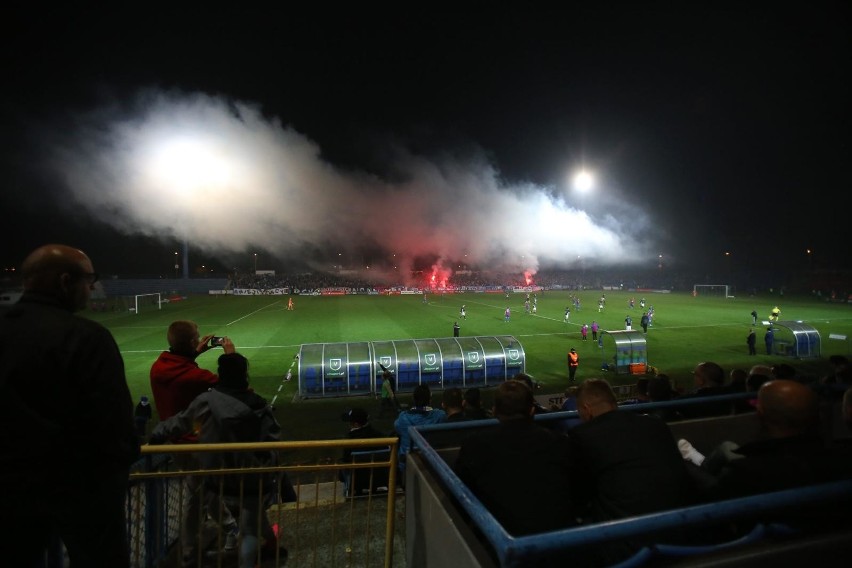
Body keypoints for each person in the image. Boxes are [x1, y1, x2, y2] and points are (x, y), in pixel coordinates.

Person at [0, 244, 139, 567]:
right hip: (81, 488)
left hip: (9, 491)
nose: (91, 288)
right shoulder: (87, 337)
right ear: (66, 281)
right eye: (89, 279)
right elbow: (114, 422)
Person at [150, 353, 291, 568]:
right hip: (251, 478)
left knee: (250, 515)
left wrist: (156, 434)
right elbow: (273, 440)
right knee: (250, 526)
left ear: (220, 375)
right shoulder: (258, 405)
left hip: (216, 479)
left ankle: (270, 543)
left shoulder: (206, 401)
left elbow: (180, 423)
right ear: (244, 375)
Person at [568, 379, 693, 562]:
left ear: (586, 409)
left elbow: (579, 494)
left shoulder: (581, 436)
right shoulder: (654, 425)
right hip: (683, 530)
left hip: (629, 545)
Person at [149, 321, 238, 564]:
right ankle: (191, 548)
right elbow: (233, 385)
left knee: (203, 490)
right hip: (197, 443)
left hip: (176, 442)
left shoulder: (158, 368)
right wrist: (230, 356)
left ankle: (228, 528)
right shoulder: (195, 377)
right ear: (189, 342)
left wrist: (196, 352)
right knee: (198, 495)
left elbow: (181, 370)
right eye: (196, 338)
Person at [454, 380, 578, 536]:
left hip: (494, 539)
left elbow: (460, 495)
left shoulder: (474, 444)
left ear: (494, 411)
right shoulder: (560, 442)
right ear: (532, 410)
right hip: (557, 539)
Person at [394, 384, 447, 475]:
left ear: (413, 399)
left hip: (407, 466)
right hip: (431, 464)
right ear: (429, 400)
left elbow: (397, 426)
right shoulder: (439, 415)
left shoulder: (403, 418)